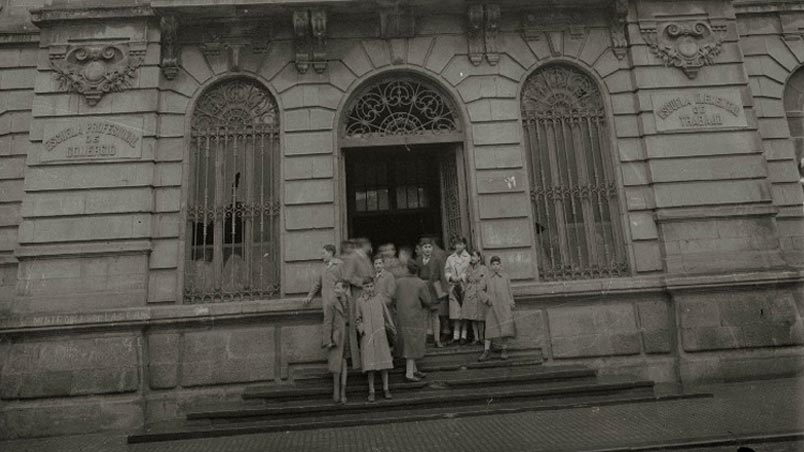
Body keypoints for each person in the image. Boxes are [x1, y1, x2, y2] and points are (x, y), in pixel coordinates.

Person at [355, 277, 396, 402]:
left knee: (384, 363)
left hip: (380, 334)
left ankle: (386, 388)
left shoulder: (379, 298)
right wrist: (361, 329)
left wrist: (391, 326)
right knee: (370, 366)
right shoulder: (360, 301)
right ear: (363, 288)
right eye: (366, 287)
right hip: (367, 336)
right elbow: (357, 318)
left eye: (371, 286)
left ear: (374, 286)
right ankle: (371, 390)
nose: (369, 289)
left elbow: (386, 313)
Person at [321, 280, 360, 404]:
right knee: (337, 363)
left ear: (345, 289)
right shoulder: (331, 303)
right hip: (337, 337)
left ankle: (343, 391)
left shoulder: (351, 301)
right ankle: (336, 391)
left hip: (349, 335)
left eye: (338, 288)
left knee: (344, 362)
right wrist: (327, 340)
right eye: (335, 288)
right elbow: (327, 322)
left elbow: (355, 317)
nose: (336, 290)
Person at [394, 259, 432, 381]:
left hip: (401, 317)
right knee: (413, 344)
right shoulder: (420, 283)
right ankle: (409, 374)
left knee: (408, 343)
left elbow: (394, 298)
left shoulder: (398, 282)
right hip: (415, 317)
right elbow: (428, 301)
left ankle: (414, 370)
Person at [479, 256, 516, 361]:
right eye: (493, 264)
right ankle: (486, 350)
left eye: (497, 264)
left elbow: (509, 291)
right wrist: (487, 299)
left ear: (500, 265)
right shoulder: (487, 277)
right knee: (490, 328)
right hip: (492, 307)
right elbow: (480, 290)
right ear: (490, 266)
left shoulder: (505, 277)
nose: (495, 267)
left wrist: (511, 302)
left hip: (504, 306)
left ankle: (504, 349)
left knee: (505, 328)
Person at [416, 237, 448, 348]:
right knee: (424, 316)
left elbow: (442, 276)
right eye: (425, 247)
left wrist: (444, 291)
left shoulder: (437, 260)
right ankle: (423, 340)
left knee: (435, 316)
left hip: (434, 290)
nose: (428, 249)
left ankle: (437, 340)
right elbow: (415, 276)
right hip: (422, 290)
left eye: (429, 247)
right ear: (421, 248)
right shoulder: (418, 260)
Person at [445, 237, 471, 345]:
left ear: (464, 245)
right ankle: (456, 336)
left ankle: (464, 336)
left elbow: (470, 270)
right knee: (455, 313)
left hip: (464, 287)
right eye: (456, 244)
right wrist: (450, 277)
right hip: (453, 287)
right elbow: (446, 270)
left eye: (460, 244)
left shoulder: (468, 257)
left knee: (464, 312)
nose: (458, 246)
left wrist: (462, 277)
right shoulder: (450, 258)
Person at [463, 250, 489, 345]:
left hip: (479, 294)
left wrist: (480, 289)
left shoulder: (484, 268)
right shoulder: (468, 268)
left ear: (479, 258)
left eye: (474, 256)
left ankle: (482, 337)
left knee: (480, 317)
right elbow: (466, 280)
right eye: (471, 256)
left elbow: (485, 281)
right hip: (470, 293)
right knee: (472, 316)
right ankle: (476, 337)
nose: (472, 258)